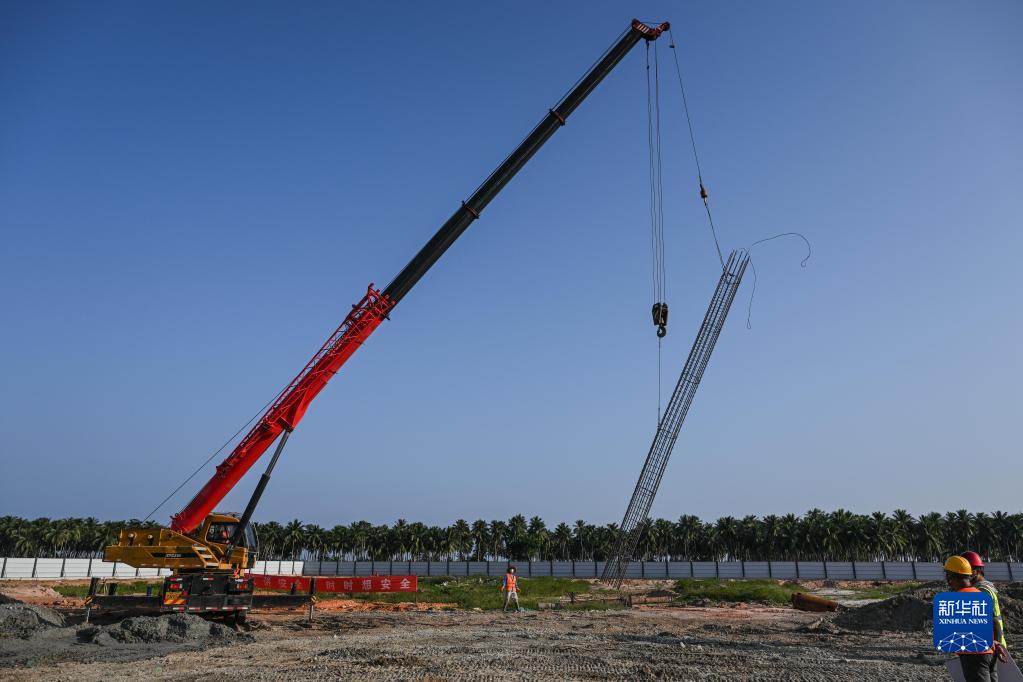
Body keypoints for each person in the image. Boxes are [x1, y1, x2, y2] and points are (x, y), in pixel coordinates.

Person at [945, 555, 1002, 682]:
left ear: (952, 577)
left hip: (973, 655)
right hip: (990, 652)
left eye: (948, 576)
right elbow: (995, 622)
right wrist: (997, 644)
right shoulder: (979, 594)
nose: (949, 581)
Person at [962, 552, 1008, 654]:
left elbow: (993, 621)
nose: (964, 575)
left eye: (967, 571)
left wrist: (997, 644)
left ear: (977, 570)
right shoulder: (979, 588)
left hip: (992, 646)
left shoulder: (983, 590)